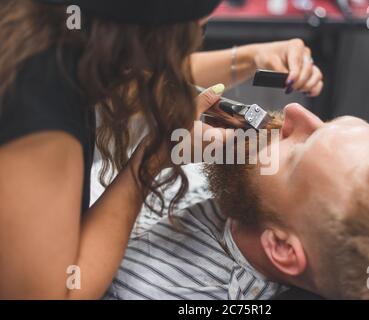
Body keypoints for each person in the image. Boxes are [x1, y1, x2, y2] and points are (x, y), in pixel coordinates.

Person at [0, 0, 323, 299]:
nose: (297, 113)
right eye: (197, 26)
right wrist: (154, 157)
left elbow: (130, 79)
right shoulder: (36, 105)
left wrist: (251, 59)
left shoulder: (49, 28)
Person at [108, 104, 369, 300]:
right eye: (326, 122)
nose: (295, 111)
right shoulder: (249, 198)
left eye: (296, 154)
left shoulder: (157, 292)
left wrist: (148, 162)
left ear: (282, 248)